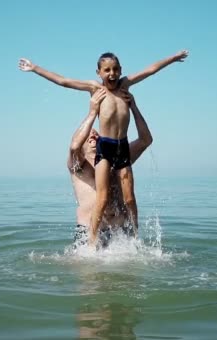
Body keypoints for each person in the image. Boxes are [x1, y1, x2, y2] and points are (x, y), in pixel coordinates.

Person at [20, 50, 185, 247]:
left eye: (115, 69)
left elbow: (150, 70)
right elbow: (63, 81)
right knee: (103, 196)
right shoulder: (95, 89)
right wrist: (34, 68)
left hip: (122, 146)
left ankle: (135, 236)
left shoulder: (125, 86)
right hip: (105, 147)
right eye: (106, 70)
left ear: (121, 70)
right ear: (98, 72)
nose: (112, 73)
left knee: (130, 198)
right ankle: (91, 241)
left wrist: (172, 59)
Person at [67, 89, 153, 248]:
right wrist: (93, 113)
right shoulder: (78, 165)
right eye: (88, 135)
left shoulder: (117, 158)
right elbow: (74, 146)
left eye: (96, 134)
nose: (93, 135)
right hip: (89, 231)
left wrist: (133, 107)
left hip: (121, 231)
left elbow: (145, 140)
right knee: (89, 271)